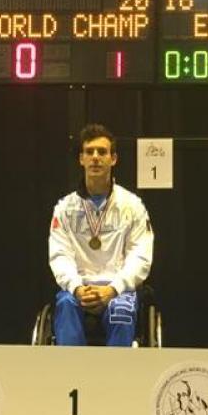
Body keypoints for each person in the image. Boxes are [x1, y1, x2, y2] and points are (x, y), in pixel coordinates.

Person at [48, 123, 153, 346]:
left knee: (121, 310)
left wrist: (113, 289)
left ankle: (117, 380)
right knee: (65, 305)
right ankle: (72, 378)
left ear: (113, 159)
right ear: (81, 159)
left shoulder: (132, 206)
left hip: (117, 289)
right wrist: (76, 288)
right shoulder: (64, 208)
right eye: (89, 152)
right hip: (78, 289)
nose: (95, 157)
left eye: (102, 152)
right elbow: (59, 256)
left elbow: (140, 256)